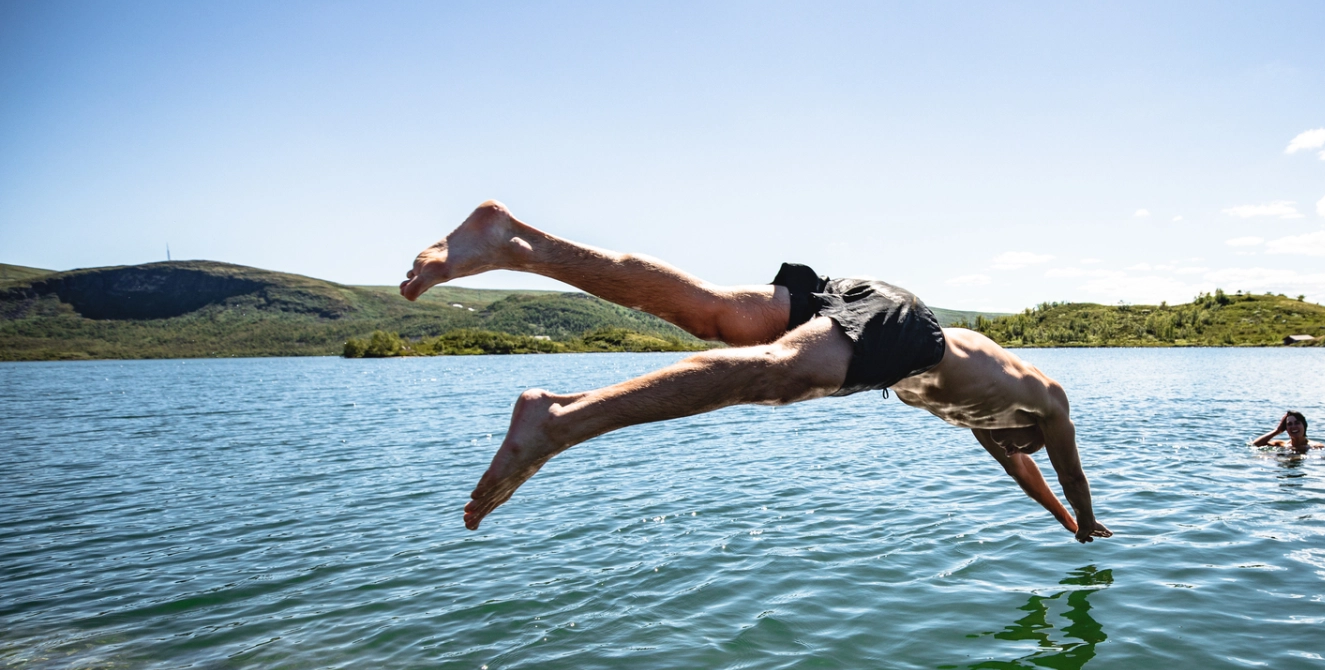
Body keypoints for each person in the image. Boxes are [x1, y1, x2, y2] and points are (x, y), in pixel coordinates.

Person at [400, 201, 1112, 542]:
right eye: (1030, 448)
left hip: (876, 302)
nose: (1023, 453)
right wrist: (1085, 514)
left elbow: (1023, 472)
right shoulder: (1048, 404)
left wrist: (1062, 526)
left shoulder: (1000, 426)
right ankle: (559, 421)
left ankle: (514, 241)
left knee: (712, 312)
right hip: (907, 332)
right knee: (772, 376)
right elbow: (1065, 470)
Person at [1251, 410, 1319, 453]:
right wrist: (1277, 431)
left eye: (1297, 423)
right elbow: (1255, 445)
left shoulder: (1316, 447)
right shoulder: (1281, 444)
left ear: (1304, 425)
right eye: (1289, 424)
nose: (1293, 426)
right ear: (1285, 428)